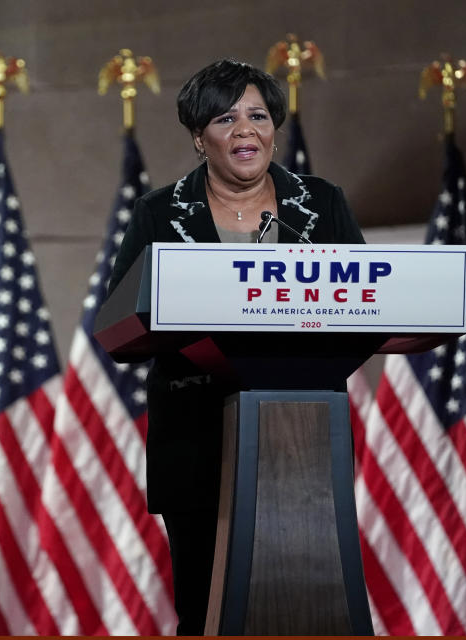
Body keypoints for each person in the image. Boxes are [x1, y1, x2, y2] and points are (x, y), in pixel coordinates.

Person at [105, 58, 365, 635]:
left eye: (259, 115)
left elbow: (371, 302)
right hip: (196, 435)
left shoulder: (321, 206)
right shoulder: (159, 214)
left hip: (303, 440)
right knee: (206, 608)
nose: (246, 130)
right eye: (226, 118)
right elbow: (117, 327)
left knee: (316, 605)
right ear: (200, 136)